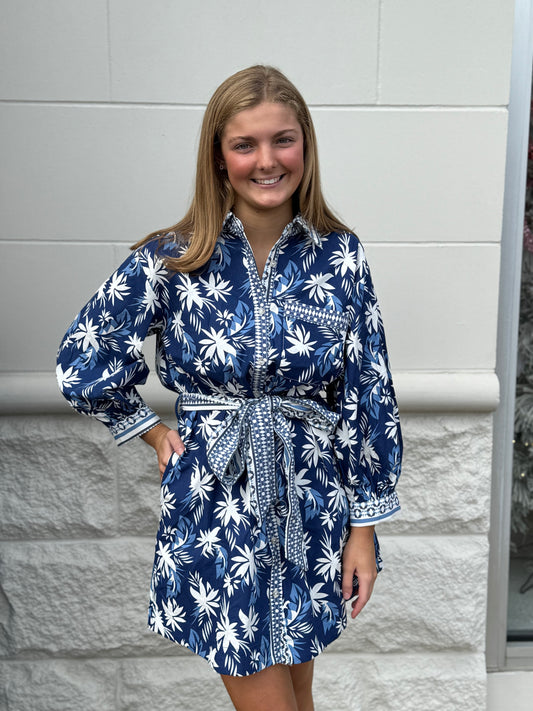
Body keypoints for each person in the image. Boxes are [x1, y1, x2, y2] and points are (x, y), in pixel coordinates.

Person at [57, 65, 402, 711]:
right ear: (218, 158)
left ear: (305, 146)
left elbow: (368, 391)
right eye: (245, 144)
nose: (266, 160)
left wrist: (363, 527)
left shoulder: (339, 255)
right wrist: (152, 430)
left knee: (298, 695)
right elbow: (85, 354)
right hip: (218, 509)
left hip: (310, 504)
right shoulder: (174, 257)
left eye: (283, 140)